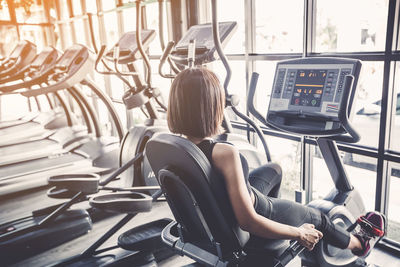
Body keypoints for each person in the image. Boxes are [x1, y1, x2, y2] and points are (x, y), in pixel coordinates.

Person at [167, 67, 386, 257]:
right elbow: (247, 221)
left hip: (227, 203)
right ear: (211, 107)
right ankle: (359, 244)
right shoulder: (224, 153)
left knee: (275, 169)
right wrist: (298, 232)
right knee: (319, 217)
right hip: (256, 210)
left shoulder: (173, 147)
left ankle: (270, 237)